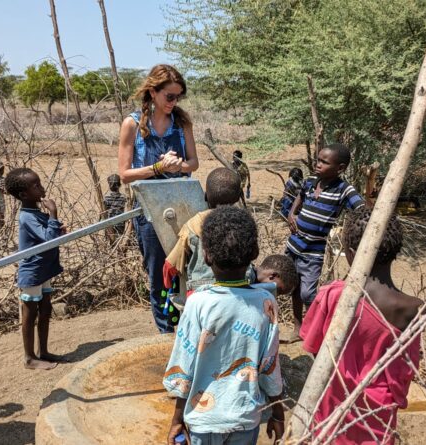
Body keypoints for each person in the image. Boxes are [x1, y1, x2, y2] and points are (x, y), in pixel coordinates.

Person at [300, 206, 422, 444]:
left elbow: (315, 349)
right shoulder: (411, 308)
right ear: (396, 250)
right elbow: (406, 371)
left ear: (352, 252)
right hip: (377, 416)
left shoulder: (332, 296)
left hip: (332, 407)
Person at [163, 206, 284, 445]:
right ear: (255, 252)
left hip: (203, 422)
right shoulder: (266, 303)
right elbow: (270, 366)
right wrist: (278, 414)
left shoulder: (197, 303)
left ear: (207, 256)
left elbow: (183, 368)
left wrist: (177, 419)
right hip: (245, 419)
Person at [118, 64, 199, 333]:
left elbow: (194, 163)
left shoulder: (182, 122)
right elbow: (125, 174)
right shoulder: (132, 124)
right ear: (153, 92)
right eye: (169, 97)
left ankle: (188, 329)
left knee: (188, 271)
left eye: (178, 97)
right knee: (158, 275)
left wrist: (180, 166)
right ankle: (166, 333)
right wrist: (157, 169)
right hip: (149, 212)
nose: (174, 102)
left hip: (182, 206)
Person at [285, 143, 364, 340]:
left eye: (324, 162)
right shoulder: (311, 181)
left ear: (341, 168)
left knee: (308, 294)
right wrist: (292, 213)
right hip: (294, 244)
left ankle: (314, 331)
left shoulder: (344, 190)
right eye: (318, 160)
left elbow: (362, 211)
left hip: (314, 250)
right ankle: (298, 328)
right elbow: (300, 197)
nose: (318, 164)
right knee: (293, 287)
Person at [5, 167, 66, 370]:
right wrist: (53, 213)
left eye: (39, 183)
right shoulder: (27, 216)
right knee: (30, 314)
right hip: (32, 272)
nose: (41, 188)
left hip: (44, 269)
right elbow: (48, 240)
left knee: (46, 309)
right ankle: (29, 357)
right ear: (23, 195)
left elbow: (50, 235)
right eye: (36, 185)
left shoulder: (35, 213)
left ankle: (44, 352)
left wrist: (57, 226)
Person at [163, 168, 241, 296]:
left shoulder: (193, 224)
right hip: (239, 291)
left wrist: (168, 284)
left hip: (201, 293)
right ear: (238, 197)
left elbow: (171, 264)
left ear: (205, 196)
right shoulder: (244, 223)